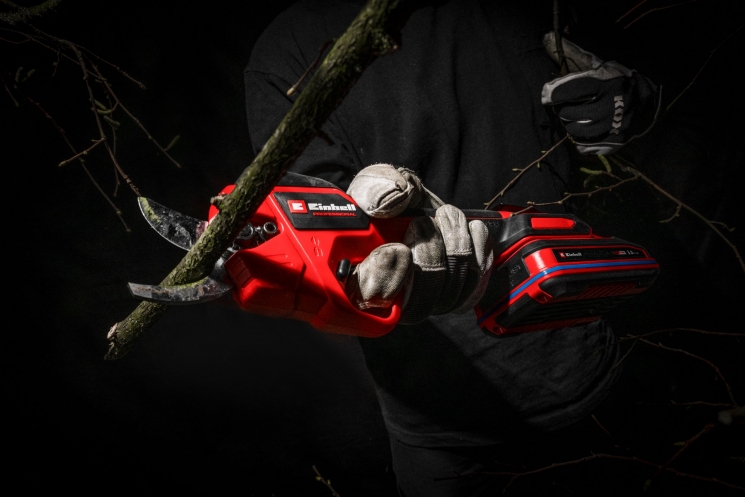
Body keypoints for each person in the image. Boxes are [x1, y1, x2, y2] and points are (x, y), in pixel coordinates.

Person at [243, 1, 661, 494]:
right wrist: (384, 276)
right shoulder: (289, 55)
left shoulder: (514, 8)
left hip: (592, 366)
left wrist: (631, 100)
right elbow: (321, 257)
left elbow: (602, 87)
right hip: (446, 426)